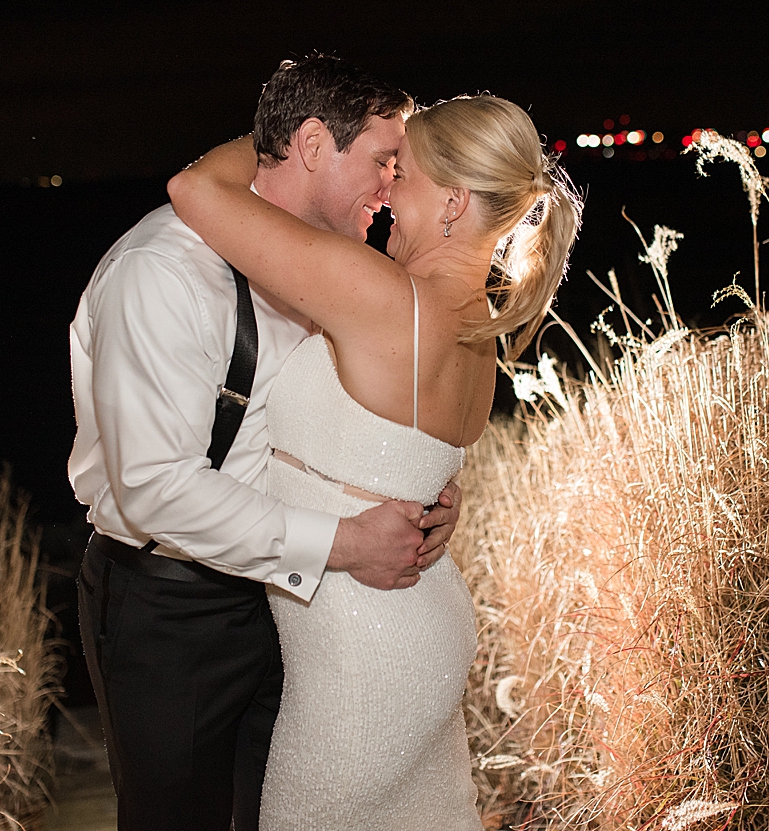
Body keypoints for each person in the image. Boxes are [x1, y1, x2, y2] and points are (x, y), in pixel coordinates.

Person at [167, 90, 582, 829]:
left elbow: (194, 189)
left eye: (405, 172)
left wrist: (290, 137)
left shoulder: (386, 298)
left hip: (363, 663)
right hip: (417, 628)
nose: (387, 185)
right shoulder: (478, 339)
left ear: (454, 204)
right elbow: (400, 458)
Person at [69, 55, 463, 831]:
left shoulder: (338, 273)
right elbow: (155, 486)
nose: (392, 187)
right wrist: (344, 542)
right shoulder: (163, 273)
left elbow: (340, 422)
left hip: (298, 610)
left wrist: (427, 494)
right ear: (314, 144)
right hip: (172, 608)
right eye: (385, 160)